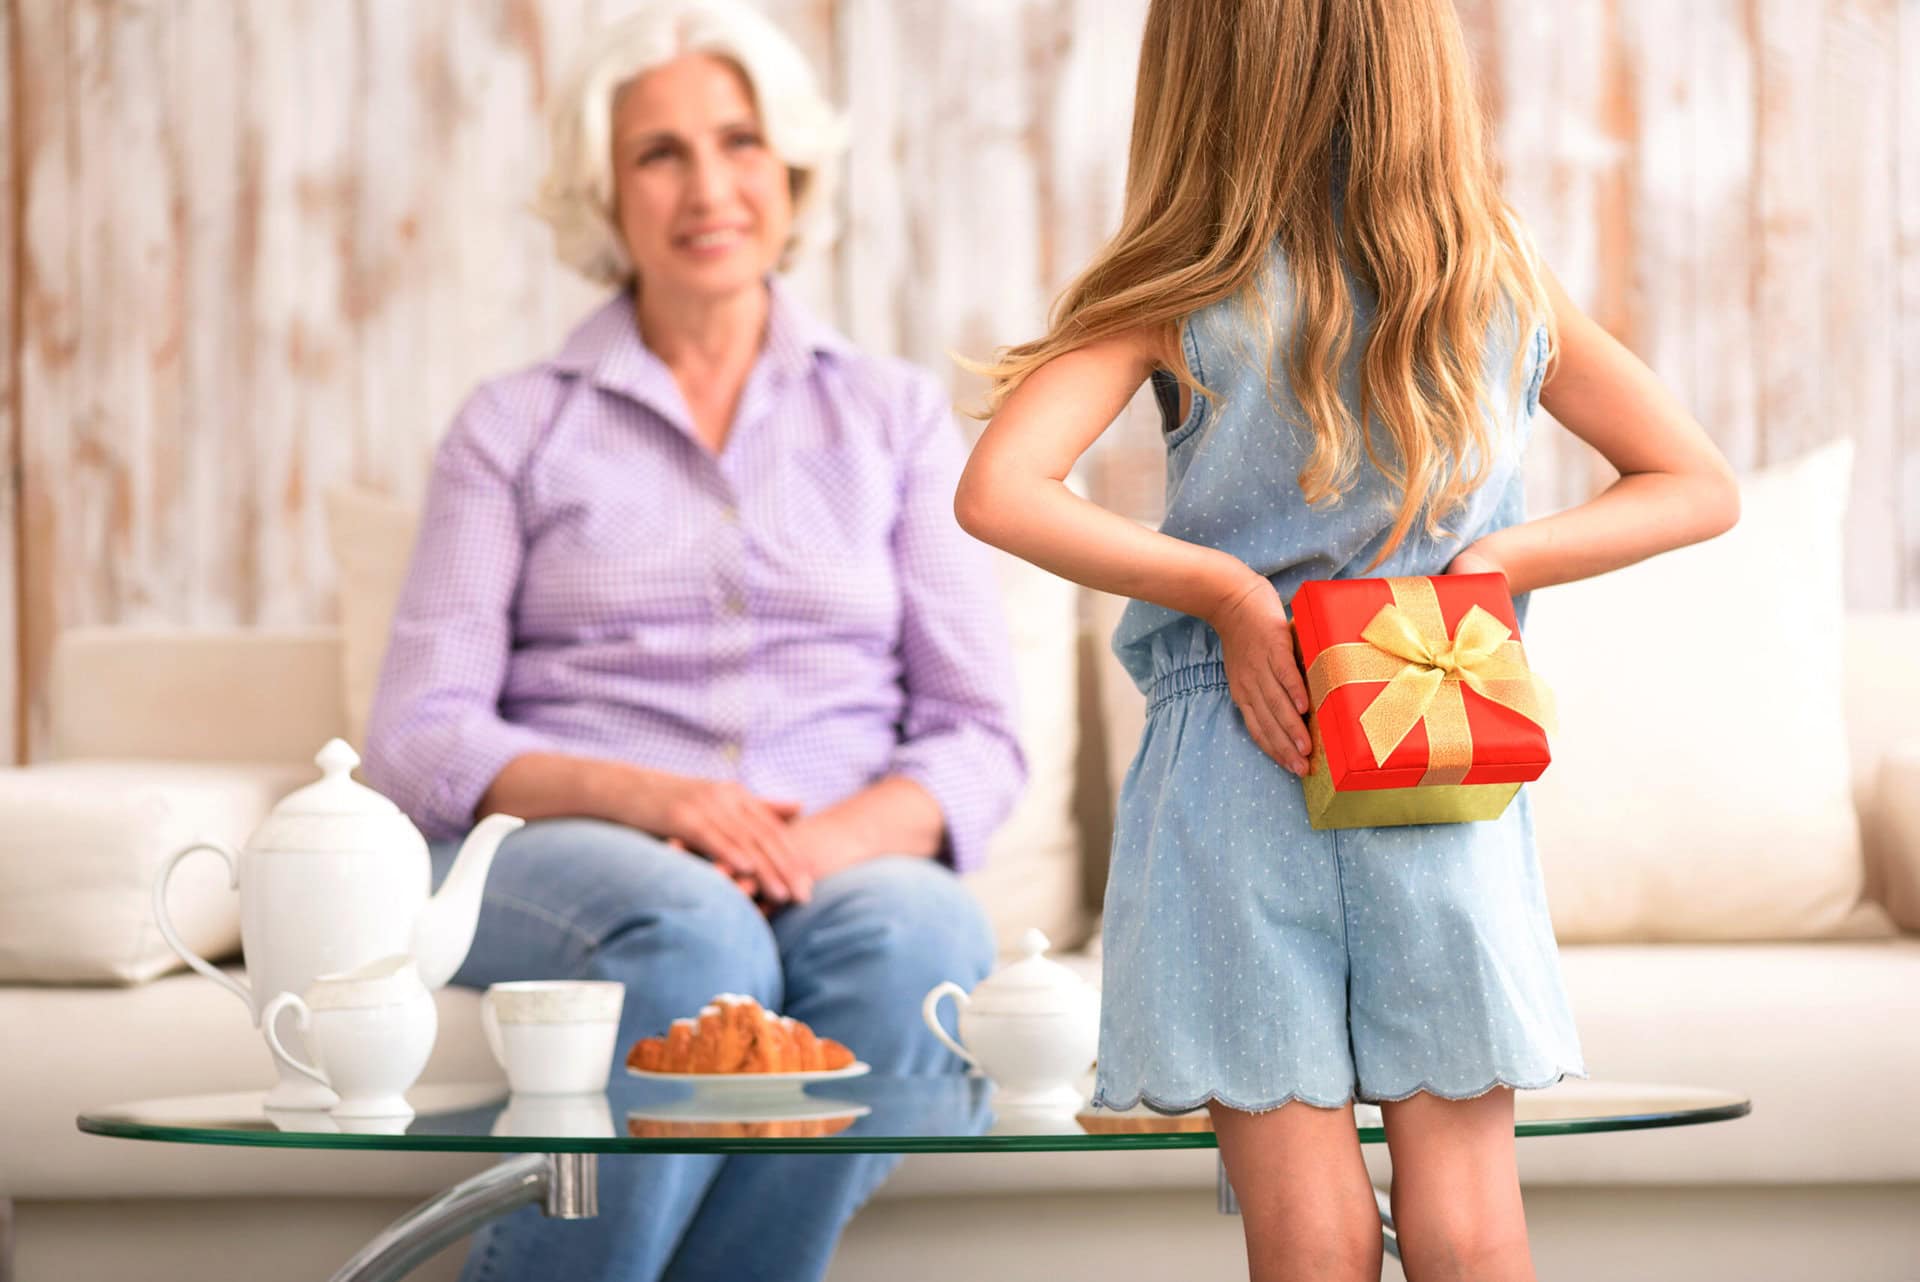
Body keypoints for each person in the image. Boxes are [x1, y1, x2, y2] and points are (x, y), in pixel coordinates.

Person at [953, 3, 1740, 1280]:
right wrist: (1491, 565)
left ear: (1195, 75)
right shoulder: (1493, 271)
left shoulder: (1179, 278)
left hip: (1235, 753)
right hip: (1431, 738)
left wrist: (1227, 594)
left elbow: (999, 489)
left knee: (1303, 1219)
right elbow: (1696, 481)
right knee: (1472, 1212)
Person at [361, 2, 1025, 1278]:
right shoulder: (512, 426)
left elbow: (977, 735)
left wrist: (801, 851)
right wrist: (662, 804)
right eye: (660, 153)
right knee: (691, 924)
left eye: (740, 142)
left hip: (833, 845)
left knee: (922, 938)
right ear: (604, 192)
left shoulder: (893, 418)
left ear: (793, 170)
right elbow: (419, 733)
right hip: (571, 848)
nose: (708, 186)